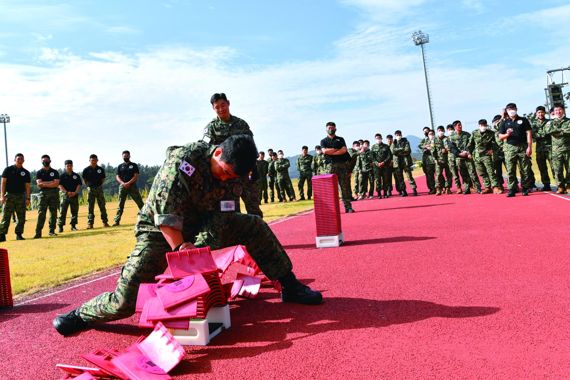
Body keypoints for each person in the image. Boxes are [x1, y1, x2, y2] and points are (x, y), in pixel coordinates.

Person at [52, 135, 322, 336]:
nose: (228, 179)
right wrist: (184, 251)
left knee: (254, 226)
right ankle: (81, 315)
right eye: (226, 173)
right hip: (160, 231)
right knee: (125, 302)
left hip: (203, 225)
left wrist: (204, 246)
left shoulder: (235, 172)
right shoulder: (182, 163)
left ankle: (289, 285)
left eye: (234, 177)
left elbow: (225, 212)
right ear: (217, 153)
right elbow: (166, 217)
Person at [203, 92, 262, 217]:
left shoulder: (242, 124)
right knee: (231, 211)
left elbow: (251, 147)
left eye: (223, 105)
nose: (221, 109)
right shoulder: (211, 128)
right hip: (227, 176)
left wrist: (253, 167)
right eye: (217, 107)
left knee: (254, 207)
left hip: (245, 173)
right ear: (213, 109)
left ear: (228, 103)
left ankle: (258, 234)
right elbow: (207, 151)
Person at [498, 103, 533, 197]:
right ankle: (512, 189)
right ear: (507, 111)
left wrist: (529, 146)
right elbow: (500, 136)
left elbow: (529, 133)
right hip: (510, 148)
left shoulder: (523, 120)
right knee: (510, 169)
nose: (511, 111)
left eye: (513, 109)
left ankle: (525, 188)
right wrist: (507, 135)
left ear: (516, 109)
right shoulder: (504, 122)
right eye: (509, 109)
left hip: (523, 146)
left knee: (525, 168)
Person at [320, 122, 354, 213]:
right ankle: (332, 209)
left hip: (342, 165)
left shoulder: (340, 139)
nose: (331, 129)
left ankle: (348, 207)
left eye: (332, 128)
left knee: (344, 187)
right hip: (330, 167)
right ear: (326, 129)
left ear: (335, 129)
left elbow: (344, 150)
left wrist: (332, 152)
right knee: (331, 189)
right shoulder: (323, 141)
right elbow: (324, 151)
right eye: (329, 128)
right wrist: (336, 150)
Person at [0, 153, 31, 241]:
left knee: (21, 217)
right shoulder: (8, 170)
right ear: (15, 160)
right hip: (9, 195)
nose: (20, 160)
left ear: (23, 161)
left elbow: (27, 186)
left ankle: (19, 234)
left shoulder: (26, 172)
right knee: (6, 216)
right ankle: (2, 234)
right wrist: (2, 195)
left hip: (21, 196)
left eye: (21, 159)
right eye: (18, 159)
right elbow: (3, 183)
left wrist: (28, 198)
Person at [112, 151, 145, 226]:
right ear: (122, 157)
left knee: (140, 203)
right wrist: (123, 183)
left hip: (132, 186)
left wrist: (128, 183)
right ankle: (116, 221)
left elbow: (136, 176)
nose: (125, 157)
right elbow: (117, 176)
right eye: (124, 156)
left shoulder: (134, 165)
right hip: (122, 186)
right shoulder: (120, 166)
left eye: (127, 156)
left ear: (129, 156)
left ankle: (147, 219)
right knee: (120, 204)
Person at [448, 121, 481, 195]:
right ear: (455, 127)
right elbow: (452, 148)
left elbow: (472, 144)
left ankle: (478, 188)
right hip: (459, 158)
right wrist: (459, 154)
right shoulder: (451, 137)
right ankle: (467, 188)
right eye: (458, 125)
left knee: (472, 172)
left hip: (468, 156)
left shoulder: (467, 134)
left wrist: (469, 152)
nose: (460, 126)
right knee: (463, 174)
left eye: (461, 125)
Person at [544, 103, 570, 194]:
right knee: (557, 169)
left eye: (559, 110)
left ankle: (568, 185)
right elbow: (547, 131)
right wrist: (562, 131)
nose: (558, 112)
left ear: (563, 110)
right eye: (556, 110)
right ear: (553, 112)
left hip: (568, 149)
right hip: (556, 150)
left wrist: (557, 131)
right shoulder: (550, 122)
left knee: (569, 169)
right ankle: (560, 186)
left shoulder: (568, 121)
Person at [470, 119, 501, 194]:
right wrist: (469, 153)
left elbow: (496, 144)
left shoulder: (491, 133)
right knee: (482, 173)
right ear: (479, 125)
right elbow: (470, 144)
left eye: (485, 125)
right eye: (482, 125)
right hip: (477, 156)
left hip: (486, 155)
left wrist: (492, 150)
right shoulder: (474, 133)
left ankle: (495, 187)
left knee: (491, 171)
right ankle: (487, 187)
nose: (483, 127)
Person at [34, 154, 60, 238]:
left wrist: (45, 183)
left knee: (53, 213)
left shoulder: (55, 172)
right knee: (41, 213)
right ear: (41, 162)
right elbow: (39, 184)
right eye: (44, 161)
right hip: (43, 196)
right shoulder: (39, 172)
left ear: (50, 161)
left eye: (47, 161)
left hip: (54, 195)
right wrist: (51, 183)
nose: (45, 162)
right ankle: (38, 233)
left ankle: (51, 231)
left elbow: (56, 184)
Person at [82, 154, 110, 229]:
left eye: (95, 160)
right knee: (90, 207)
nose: (93, 162)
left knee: (102, 206)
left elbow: (103, 179)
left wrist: (99, 185)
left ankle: (105, 222)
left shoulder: (100, 169)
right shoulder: (86, 170)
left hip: (99, 189)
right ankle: (90, 224)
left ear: (97, 160)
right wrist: (88, 186)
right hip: (90, 189)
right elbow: (84, 180)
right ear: (89, 160)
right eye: (92, 160)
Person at [530, 106, 554, 191]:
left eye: (542, 112)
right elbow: (533, 135)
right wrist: (543, 133)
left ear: (545, 113)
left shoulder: (550, 122)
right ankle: (546, 184)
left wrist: (540, 134)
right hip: (539, 149)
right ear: (536, 113)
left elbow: (550, 132)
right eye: (539, 112)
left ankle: (560, 184)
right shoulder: (533, 124)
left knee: (554, 167)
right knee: (542, 167)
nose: (540, 114)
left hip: (550, 148)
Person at [58, 160, 82, 232]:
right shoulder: (62, 176)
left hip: (74, 195)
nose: (69, 167)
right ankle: (60, 226)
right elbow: (60, 185)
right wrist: (66, 192)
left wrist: (75, 192)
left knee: (74, 211)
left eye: (70, 165)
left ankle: (73, 226)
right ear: (65, 166)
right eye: (67, 166)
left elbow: (79, 185)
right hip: (65, 196)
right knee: (62, 211)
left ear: (72, 166)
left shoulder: (76, 175)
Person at [391, 130, 417, 196]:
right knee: (400, 178)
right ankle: (404, 191)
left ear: (401, 135)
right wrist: (401, 150)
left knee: (409, 176)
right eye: (397, 135)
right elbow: (393, 151)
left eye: (399, 134)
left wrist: (398, 151)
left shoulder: (406, 141)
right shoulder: (394, 143)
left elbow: (407, 150)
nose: (398, 136)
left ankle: (414, 189)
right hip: (397, 163)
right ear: (395, 136)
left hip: (405, 162)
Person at [371, 133, 392, 199]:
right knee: (378, 180)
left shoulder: (386, 146)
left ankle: (385, 193)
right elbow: (372, 157)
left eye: (379, 138)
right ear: (375, 139)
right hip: (376, 167)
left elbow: (389, 156)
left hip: (385, 166)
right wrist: (377, 163)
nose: (378, 140)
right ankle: (379, 193)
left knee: (385, 179)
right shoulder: (373, 147)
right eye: (377, 138)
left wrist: (383, 162)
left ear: (381, 138)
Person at [432, 126, 452, 195]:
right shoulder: (434, 140)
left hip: (448, 160)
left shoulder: (447, 138)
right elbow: (433, 150)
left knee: (449, 175)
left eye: (442, 130)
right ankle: (438, 189)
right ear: (437, 131)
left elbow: (451, 147)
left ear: (444, 131)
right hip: (439, 160)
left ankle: (448, 188)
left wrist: (446, 150)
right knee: (438, 175)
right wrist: (435, 159)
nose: (440, 132)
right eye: (439, 130)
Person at [491, 115, 507, 192]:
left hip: (506, 152)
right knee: (498, 171)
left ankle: (514, 185)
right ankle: (500, 186)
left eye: (498, 121)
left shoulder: (504, 129)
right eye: (495, 122)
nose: (496, 123)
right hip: (496, 154)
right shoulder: (491, 132)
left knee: (510, 169)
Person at [419, 126, 436, 194]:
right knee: (429, 176)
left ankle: (441, 187)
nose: (426, 132)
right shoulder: (424, 140)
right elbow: (420, 145)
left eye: (427, 131)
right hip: (426, 161)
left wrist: (430, 147)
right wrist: (425, 146)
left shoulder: (434, 139)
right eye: (424, 131)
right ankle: (431, 188)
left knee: (438, 175)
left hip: (434, 160)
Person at [446, 124, 462, 192]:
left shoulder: (457, 137)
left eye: (451, 129)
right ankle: (458, 187)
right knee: (455, 174)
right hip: (451, 158)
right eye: (449, 130)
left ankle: (468, 186)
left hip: (459, 157)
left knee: (463, 172)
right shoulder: (446, 139)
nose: (450, 131)